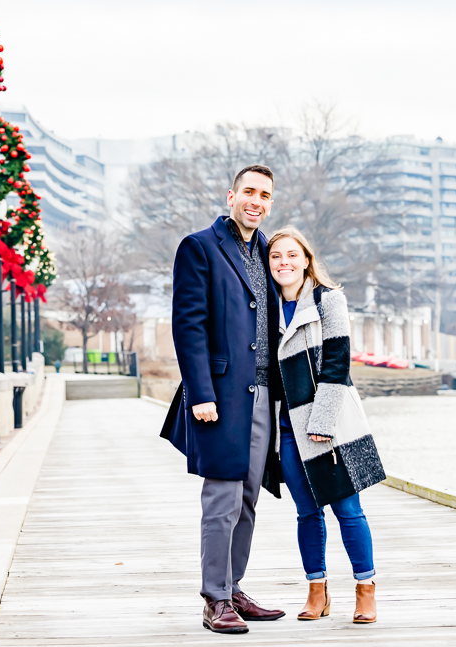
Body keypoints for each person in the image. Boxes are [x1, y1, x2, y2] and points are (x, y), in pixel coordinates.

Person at [161, 165, 286, 635]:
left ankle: (234, 588)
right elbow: (188, 325)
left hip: (263, 396)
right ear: (231, 195)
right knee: (223, 498)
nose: (256, 200)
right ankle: (215, 598)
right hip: (219, 397)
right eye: (249, 192)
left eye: (265, 195)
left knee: (250, 497)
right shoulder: (199, 247)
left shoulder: (269, 251)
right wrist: (200, 394)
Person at [266, 225, 387, 624]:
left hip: (328, 423)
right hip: (287, 428)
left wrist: (323, 421)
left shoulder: (328, 300)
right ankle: (316, 590)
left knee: (348, 509)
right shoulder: (264, 307)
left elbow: (338, 362)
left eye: (291, 255)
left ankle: (365, 590)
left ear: (306, 260)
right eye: (275, 256)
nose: (284, 263)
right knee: (306, 513)